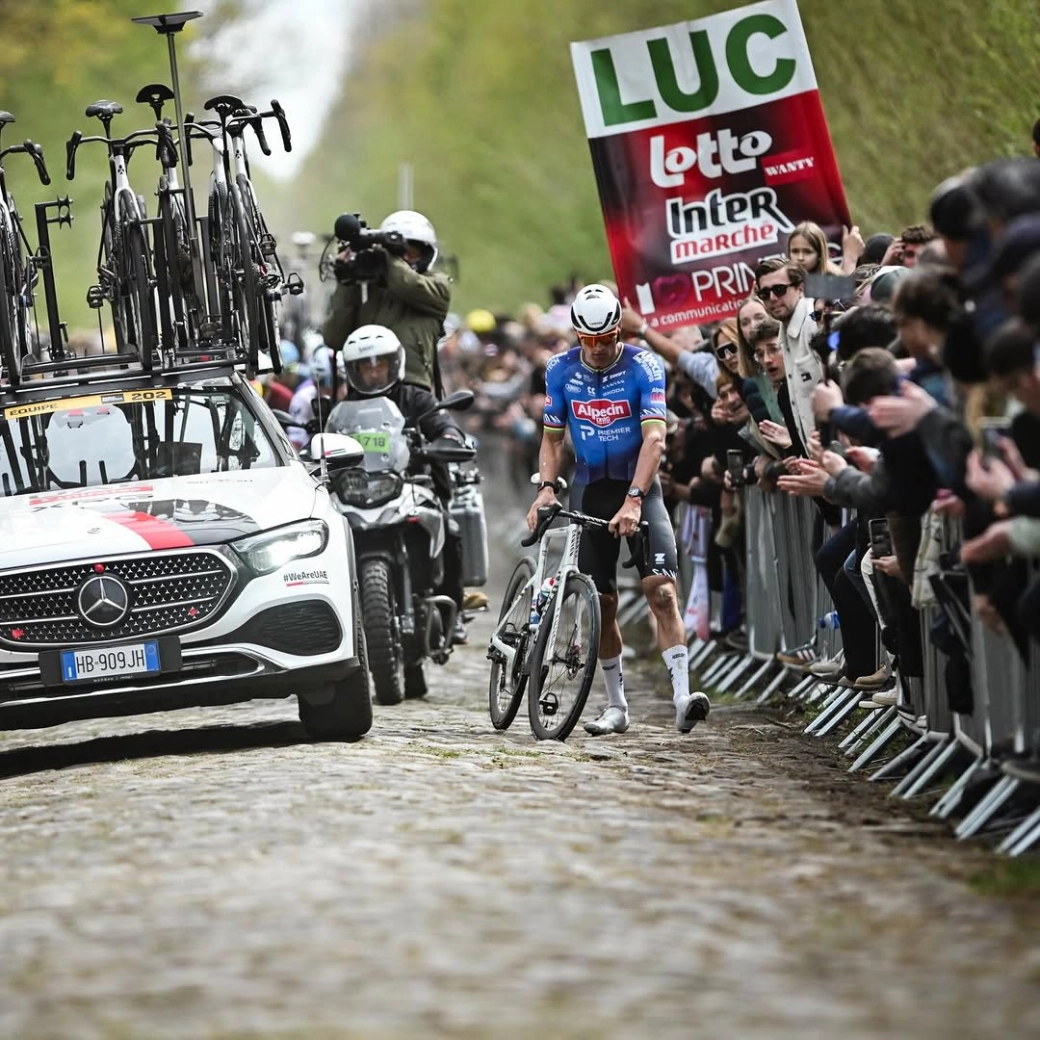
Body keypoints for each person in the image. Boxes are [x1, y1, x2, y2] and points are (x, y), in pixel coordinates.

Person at [526, 283, 711, 737]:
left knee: (662, 592)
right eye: (588, 341)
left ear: (617, 331)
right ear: (576, 335)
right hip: (590, 489)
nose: (599, 348)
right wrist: (546, 490)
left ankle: (683, 697)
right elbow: (551, 439)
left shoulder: (644, 365)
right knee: (603, 602)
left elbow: (655, 438)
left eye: (607, 338)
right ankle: (617, 706)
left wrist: (633, 499)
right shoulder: (559, 370)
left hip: (639, 489)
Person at [340, 324, 471, 646]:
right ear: (353, 371)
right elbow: (322, 436)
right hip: (357, 491)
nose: (373, 373)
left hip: (411, 485)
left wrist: (447, 438)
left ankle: (452, 610)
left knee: (450, 529)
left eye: (379, 364)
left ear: (394, 363)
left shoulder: (415, 397)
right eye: (365, 367)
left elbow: (445, 425)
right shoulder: (341, 408)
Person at [322, 210, 451, 394]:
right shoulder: (370, 290)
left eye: (410, 253)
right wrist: (348, 280)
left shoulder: (437, 286)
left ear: (427, 253)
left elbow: (408, 285)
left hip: (412, 389)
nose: (404, 260)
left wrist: (386, 254)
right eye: (399, 254)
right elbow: (334, 338)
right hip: (364, 390)